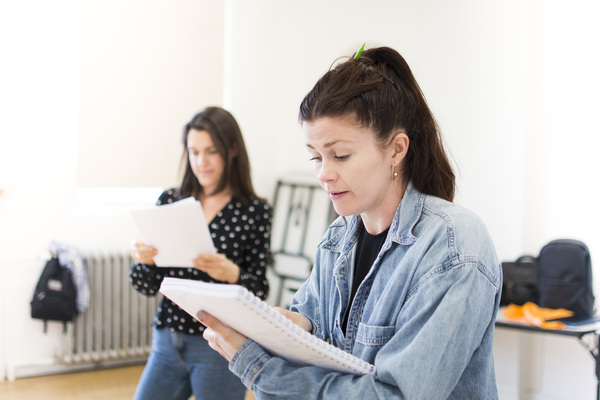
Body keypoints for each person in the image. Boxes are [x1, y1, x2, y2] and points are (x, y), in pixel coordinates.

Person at [199, 46, 502, 399]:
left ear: (396, 150)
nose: (324, 174)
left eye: (340, 155)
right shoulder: (337, 238)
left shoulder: (455, 247)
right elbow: (310, 328)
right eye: (316, 157)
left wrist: (258, 366)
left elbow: (395, 395)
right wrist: (292, 329)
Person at [129, 106, 272, 400]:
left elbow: (259, 289)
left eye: (211, 151)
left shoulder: (255, 211)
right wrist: (144, 261)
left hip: (221, 344)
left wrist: (232, 274)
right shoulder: (171, 200)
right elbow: (143, 285)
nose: (201, 161)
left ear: (232, 150)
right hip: (169, 339)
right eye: (194, 152)